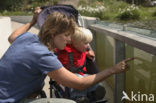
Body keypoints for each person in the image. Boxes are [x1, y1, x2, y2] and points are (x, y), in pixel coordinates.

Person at [0, 9, 134, 103]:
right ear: (53, 34)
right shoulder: (43, 56)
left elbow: (12, 37)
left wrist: (33, 21)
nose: (69, 39)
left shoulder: (27, 37)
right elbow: (79, 84)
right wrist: (113, 69)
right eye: (66, 35)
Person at [55, 27, 106, 102]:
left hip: (81, 75)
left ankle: (96, 91)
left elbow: (92, 70)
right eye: (85, 43)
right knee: (79, 79)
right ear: (75, 43)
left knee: (91, 79)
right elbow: (59, 68)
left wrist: (89, 57)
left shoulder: (83, 51)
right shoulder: (65, 52)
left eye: (89, 43)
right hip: (68, 79)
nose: (88, 46)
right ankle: (78, 97)